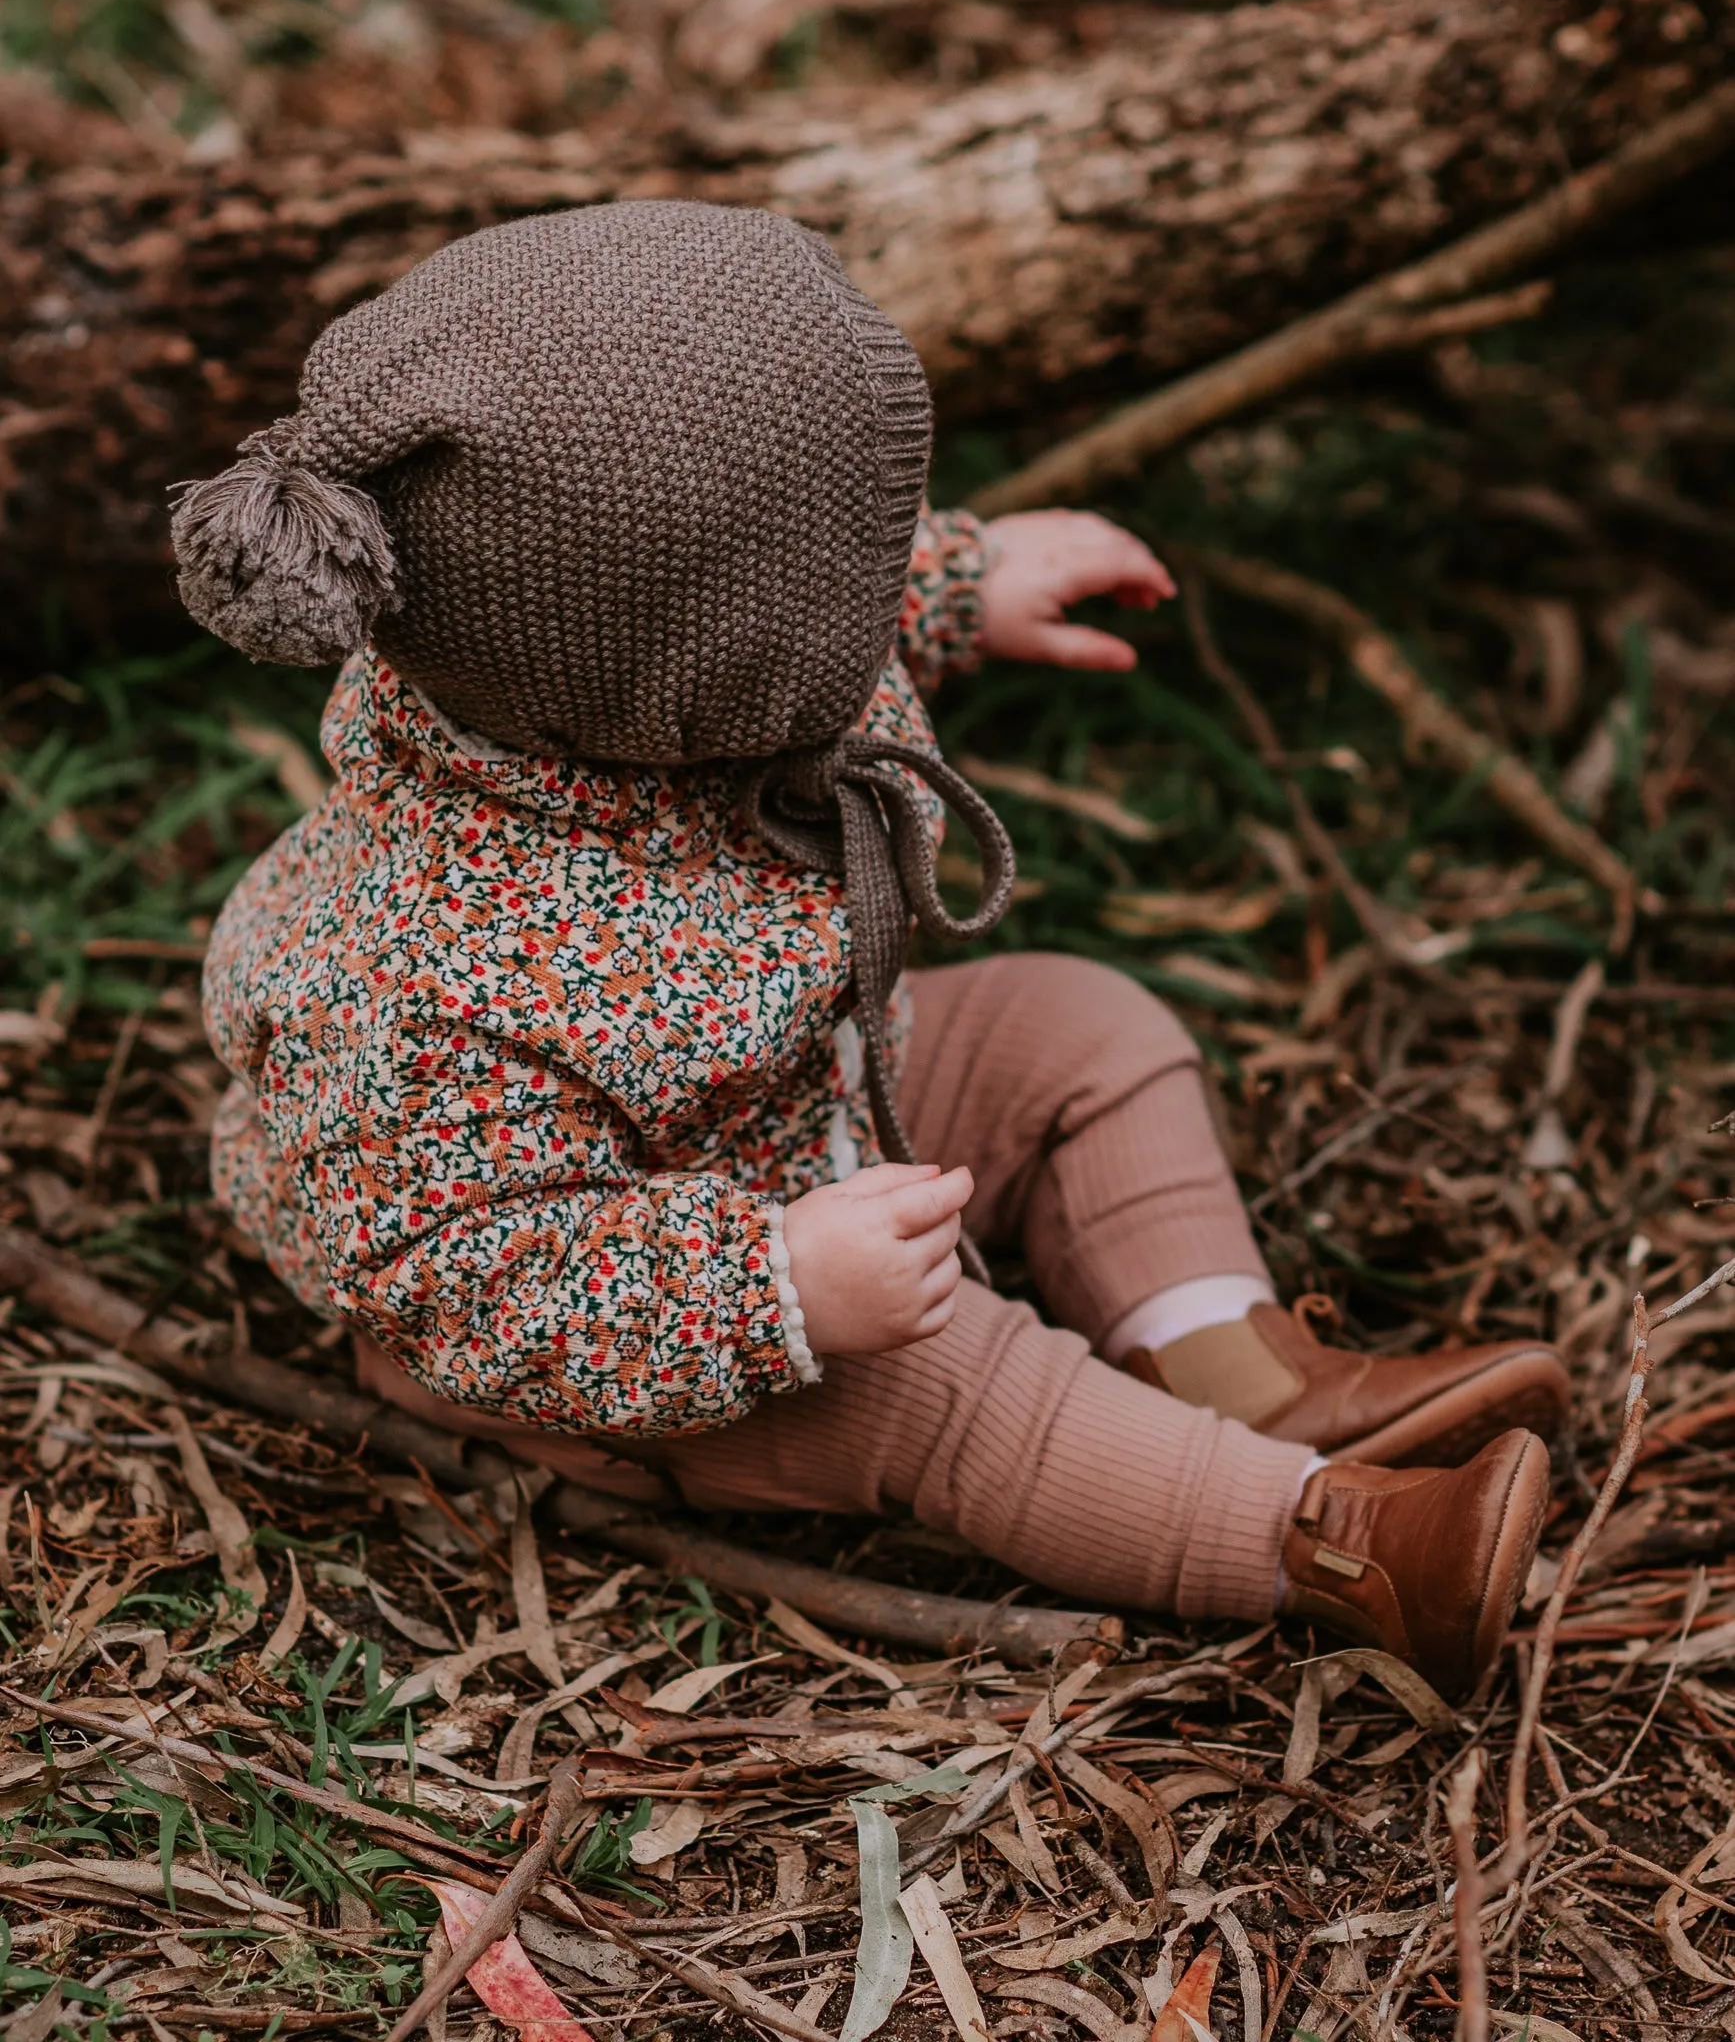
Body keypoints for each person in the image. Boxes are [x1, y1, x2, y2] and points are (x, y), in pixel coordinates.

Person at [179, 201, 1569, 1697]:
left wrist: (962, 584)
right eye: (855, 573)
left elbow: (765, 562)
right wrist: (768, 1282)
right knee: (946, 1377)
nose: (871, 590)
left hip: (809, 1094)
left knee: (1079, 1030)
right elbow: (467, 1277)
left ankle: (1238, 1372)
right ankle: (1330, 1540)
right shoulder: (415, 973)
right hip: (623, 1324)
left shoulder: (616, 656)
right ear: (702, 650)